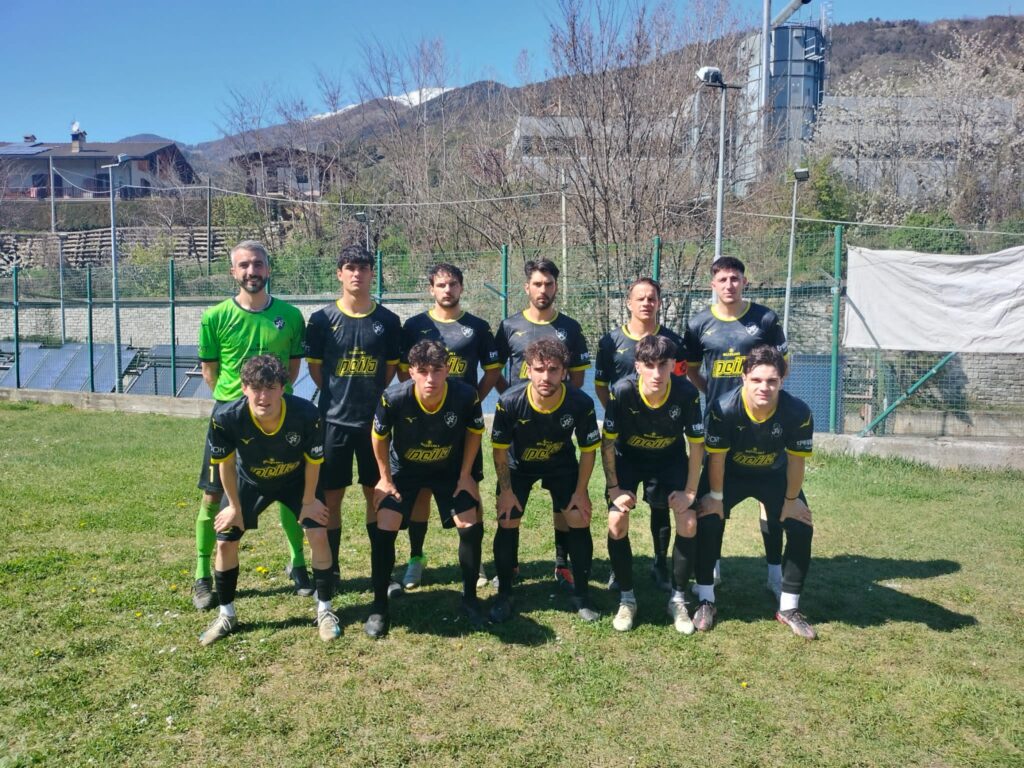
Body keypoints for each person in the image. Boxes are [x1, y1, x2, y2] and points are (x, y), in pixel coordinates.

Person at [192, 240, 310, 612]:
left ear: (268, 269)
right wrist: (234, 404)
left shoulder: (291, 316)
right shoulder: (215, 317)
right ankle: (202, 573)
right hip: (231, 419)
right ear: (233, 272)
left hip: (279, 416)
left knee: (288, 486)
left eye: (257, 264)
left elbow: (292, 368)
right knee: (213, 495)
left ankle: (298, 564)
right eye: (243, 265)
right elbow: (210, 371)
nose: (251, 271)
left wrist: (271, 400)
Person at [199, 355, 338, 645]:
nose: (263, 396)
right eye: (256, 388)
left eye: (271, 388)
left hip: (296, 480)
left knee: (318, 533)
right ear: (244, 388)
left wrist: (309, 501)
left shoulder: (306, 413)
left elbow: (314, 462)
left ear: (283, 388)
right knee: (225, 542)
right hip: (249, 481)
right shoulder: (226, 417)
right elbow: (225, 464)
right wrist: (234, 506)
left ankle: (325, 610)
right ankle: (227, 615)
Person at [693, 344, 817, 639]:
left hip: (773, 474)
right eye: (757, 380)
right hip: (729, 474)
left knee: (801, 526)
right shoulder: (724, 408)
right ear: (744, 378)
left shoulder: (798, 412)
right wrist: (716, 499)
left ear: (782, 381)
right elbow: (717, 459)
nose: (764, 387)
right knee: (706, 518)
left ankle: (789, 607)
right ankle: (706, 599)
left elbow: (796, 462)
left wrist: (790, 501)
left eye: (772, 381)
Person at [364, 340, 486, 638]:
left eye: (437, 370)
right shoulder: (394, 397)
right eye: (423, 371)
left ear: (448, 369)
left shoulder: (465, 395)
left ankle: (470, 598)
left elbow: (474, 433)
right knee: (385, 525)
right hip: (405, 471)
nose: (431, 378)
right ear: (411, 372)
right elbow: (378, 436)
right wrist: (384, 478)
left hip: (448, 470)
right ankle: (379, 606)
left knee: (470, 525)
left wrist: (466, 475)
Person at [682, 256, 789, 597]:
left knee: (769, 498)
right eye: (723, 279)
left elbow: (782, 366)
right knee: (714, 496)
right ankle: (712, 566)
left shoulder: (765, 319)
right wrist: (713, 394)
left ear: (744, 282)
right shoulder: (698, 324)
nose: (729, 285)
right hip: (719, 423)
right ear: (712, 285)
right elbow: (692, 370)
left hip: (760, 423)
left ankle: (775, 573)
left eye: (735, 278)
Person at [396, 263, 501, 590]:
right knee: (422, 493)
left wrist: (472, 400)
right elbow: (403, 371)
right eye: (441, 285)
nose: (447, 290)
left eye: (453, 284)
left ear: (461, 287)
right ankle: (416, 558)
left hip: (462, 428)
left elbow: (493, 371)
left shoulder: (477, 327)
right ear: (431, 289)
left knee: (469, 488)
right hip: (422, 424)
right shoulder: (414, 326)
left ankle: (476, 561)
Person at [305, 245, 401, 590]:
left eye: (363, 267)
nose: (357, 273)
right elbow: (316, 371)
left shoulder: (388, 321)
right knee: (331, 498)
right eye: (350, 267)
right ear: (339, 273)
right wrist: (339, 397)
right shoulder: (320, 320)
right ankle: (330, 570)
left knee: (377, 494)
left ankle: (381, 572)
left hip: (374, 424)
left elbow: (389, 371)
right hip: (333, 422)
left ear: (372, 273)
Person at [494, 259, 591, 592]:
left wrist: (558, 409)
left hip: (557, 434)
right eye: (537, 284)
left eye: (549, 284)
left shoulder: (570, 328)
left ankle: (562, 564)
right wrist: (511, 401)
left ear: (556, 287)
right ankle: (510, 566)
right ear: (527, 287)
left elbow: (577, 380)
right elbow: (496, 373)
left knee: (565, 507)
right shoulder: (509, 326)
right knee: (510, 508)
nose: (543, 290)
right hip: (520, 433)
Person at [489, 338, 601, 624]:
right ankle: (504, 593)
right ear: (528, 370)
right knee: (507, 518)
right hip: (519, 467)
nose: (546, 377)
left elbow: (588, 451)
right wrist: (506, 491)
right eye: (539, 369)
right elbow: (499, 451)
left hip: (560, 465)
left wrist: (581, 492)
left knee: (578, 517)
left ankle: (582, 596)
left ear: (564, 372)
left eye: (553, 370)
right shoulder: (509, 401)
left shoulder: (580, 402)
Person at [601, 335, 705, 633]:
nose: (657, 373)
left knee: (688, 521)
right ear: (637, 366)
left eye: (663, 365)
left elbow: (696, 445)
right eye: (649, 365)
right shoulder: (622, 391)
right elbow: (607, 444)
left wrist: (690, 492)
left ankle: (678, 600)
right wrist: (614, 489)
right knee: (616, 521)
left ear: (673, 365)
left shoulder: (686, 393)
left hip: (669, 459)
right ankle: (627, 599)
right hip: (629, 459)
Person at [594, 277, 687, 592]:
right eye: (640, 298)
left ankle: (660, 564)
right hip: (626, 442)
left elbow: (680, 387)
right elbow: (601, 386)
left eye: (652, 298)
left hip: (663, 443)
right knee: (619, 506)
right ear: (629, 302)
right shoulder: (610, 342)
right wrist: (622, 418)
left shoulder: (673, 341)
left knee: (661, 506)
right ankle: (617, 568)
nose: (646, 303)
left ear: (659, 302)